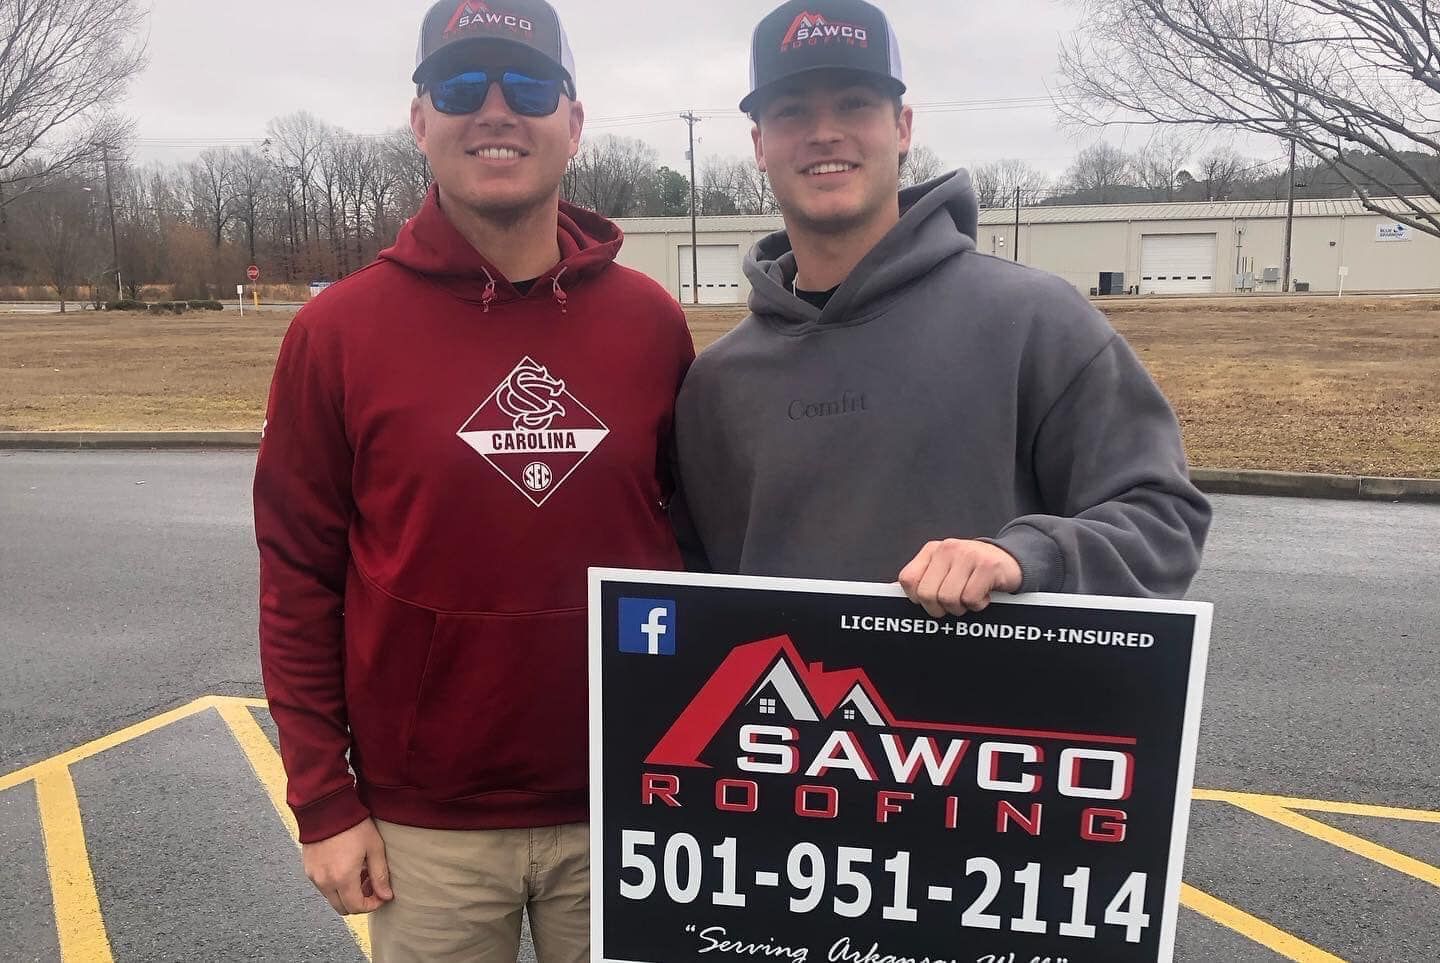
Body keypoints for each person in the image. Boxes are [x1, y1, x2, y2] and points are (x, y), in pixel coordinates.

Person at [253, 1, 693, 959]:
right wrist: (323, 797)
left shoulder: (651, 324)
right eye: (460, 86)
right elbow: (297, 577)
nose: (496, 110)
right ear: (420, 120)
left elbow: (697, 546)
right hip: (425, 825)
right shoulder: (337, 333)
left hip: (633, 796)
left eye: (528, 85)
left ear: (573, 122)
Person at [674, 0, 1210, 612]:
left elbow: (1162, 519)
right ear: (759, 144)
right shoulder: (717, 384)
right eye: (791, 111)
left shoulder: (1034, 321)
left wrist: (1027, 556)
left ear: (902, 128)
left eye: (854, 103)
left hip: (979, 679)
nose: (824, 133)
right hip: (786, 676)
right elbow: (691, 588)